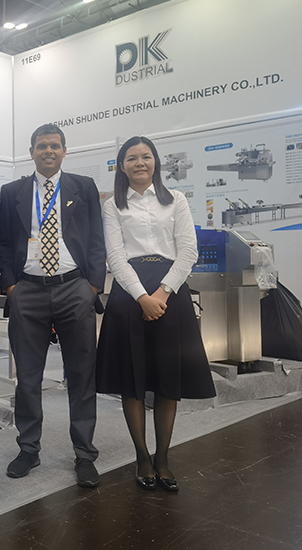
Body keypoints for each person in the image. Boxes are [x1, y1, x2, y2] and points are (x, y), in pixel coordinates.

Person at [96, 136, 216, 492]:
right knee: (132, 381)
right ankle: (142, 457)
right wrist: (141, 297)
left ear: (155, 162)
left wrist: (161, 294)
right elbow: (115, 257)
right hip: (129, 295)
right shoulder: (113, 206)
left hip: (170, 293)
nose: (140, 163)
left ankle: (162, 458)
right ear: (122, 166)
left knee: (168, 379)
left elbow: (188, 251)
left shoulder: (175, 199)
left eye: (146, 156)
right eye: (132, 158)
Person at [0, 124, 105, 487]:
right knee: (28, 378)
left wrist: (92, 287)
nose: (48, 151)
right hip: (27, 291)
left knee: (81, 374)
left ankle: (85, 454)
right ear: (31, 152)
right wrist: (11, 287)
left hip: (74, 288)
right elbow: (3, 243)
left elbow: (96, 239)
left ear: (64, 151)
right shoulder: (12, 192)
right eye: (42, 146)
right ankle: (28, 449)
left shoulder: (83, 186)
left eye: (55, 145)